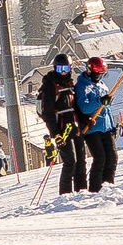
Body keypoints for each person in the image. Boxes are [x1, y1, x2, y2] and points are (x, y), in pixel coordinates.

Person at [37, 54, 85, 193]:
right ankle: (65, 195)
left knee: (81, 163)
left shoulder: (69, 83)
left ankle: (81, 192)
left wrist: (85, 120)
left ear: (70, 68)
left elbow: (75, 106)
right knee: (70, 162)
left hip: (75, 128)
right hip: (62, 130)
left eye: (65, 68)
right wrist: (56, 134)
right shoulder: (50, 86)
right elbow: (48, 113)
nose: (63, 72)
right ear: (55, 68)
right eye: (59, 68)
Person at [75, 56, 117, 191]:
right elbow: (84, 108)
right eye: (95, 74)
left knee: (112, 158)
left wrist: (112, 125)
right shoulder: (81, 86)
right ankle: (95, 189)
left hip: (106, 128)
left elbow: (107, 108)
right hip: (92, 128)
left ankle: (108, 186)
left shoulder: (102, 85)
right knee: (100, 159)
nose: (98, 77)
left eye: (101, 74)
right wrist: (100, 101)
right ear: (88, 70)